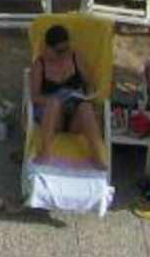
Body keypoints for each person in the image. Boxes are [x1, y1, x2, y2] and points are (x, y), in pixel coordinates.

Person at [30, 23, 107, 165]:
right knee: (54, 103)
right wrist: (55, 100)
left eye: (66, 49)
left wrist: (88, 95)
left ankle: (97, 157)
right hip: (53, 118)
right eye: (59, 51)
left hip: (74, 117)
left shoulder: (75, 57)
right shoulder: (39, 65)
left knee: (85, 107)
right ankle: (45, 153)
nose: (64, 54)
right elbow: (34, 97)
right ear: (48, 48)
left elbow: (89, 83)